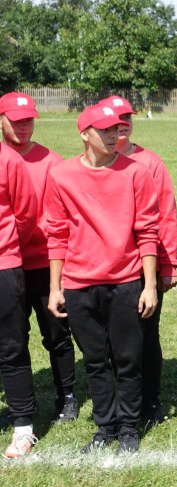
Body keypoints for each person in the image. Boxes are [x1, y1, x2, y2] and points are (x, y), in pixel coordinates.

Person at [46, 102, 160, 455]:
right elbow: (56, 233)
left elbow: (148, 230)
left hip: (125, 281)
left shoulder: (136, 172)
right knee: (94, 361)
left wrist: (150, 284)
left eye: (117, 129)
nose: (114, 135)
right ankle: (105, 428)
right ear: (85, 134)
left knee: (127, 359)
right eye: (105, 130)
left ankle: (128, 428)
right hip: (79, 284)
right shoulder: (61, 175)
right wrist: (55, 287)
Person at [0, 92, 79, 427]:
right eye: (16, 121)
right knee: (12, 337)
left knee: (57, 332)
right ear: (2, 120)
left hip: (46, 262)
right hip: (10, 264)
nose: (23, 127)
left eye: (29, 120)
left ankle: (68, 395)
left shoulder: (52, 162)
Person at [104, 95, 177, 430]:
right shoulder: (93, 164)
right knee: (107, 339)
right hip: (103, 269)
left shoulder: (151, 163)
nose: (121, 127)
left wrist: (168, 264)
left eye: (126, 120)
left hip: (143, 268)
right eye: (114, 123)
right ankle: (117, 399)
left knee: (146, 337)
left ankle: (149, 400)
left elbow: (166, 217)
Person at [0, 96, 39, 458]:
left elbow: (26, 214)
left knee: (11, 348)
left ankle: (23, 425)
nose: (22, 125)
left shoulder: (9, 161)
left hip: (4, 266)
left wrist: (9, 246)